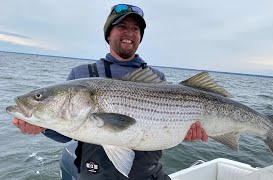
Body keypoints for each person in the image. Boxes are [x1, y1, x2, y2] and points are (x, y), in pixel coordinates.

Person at [12, 4, 208, 180]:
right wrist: (44, 128)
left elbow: (163, 129)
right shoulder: (82, 74)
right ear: (108, 34)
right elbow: (67, 133)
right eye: (122, 27)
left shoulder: (155, 77)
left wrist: (186, 133)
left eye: (135, 29)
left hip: (148, 175)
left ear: (140, 37)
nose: (129, 33)